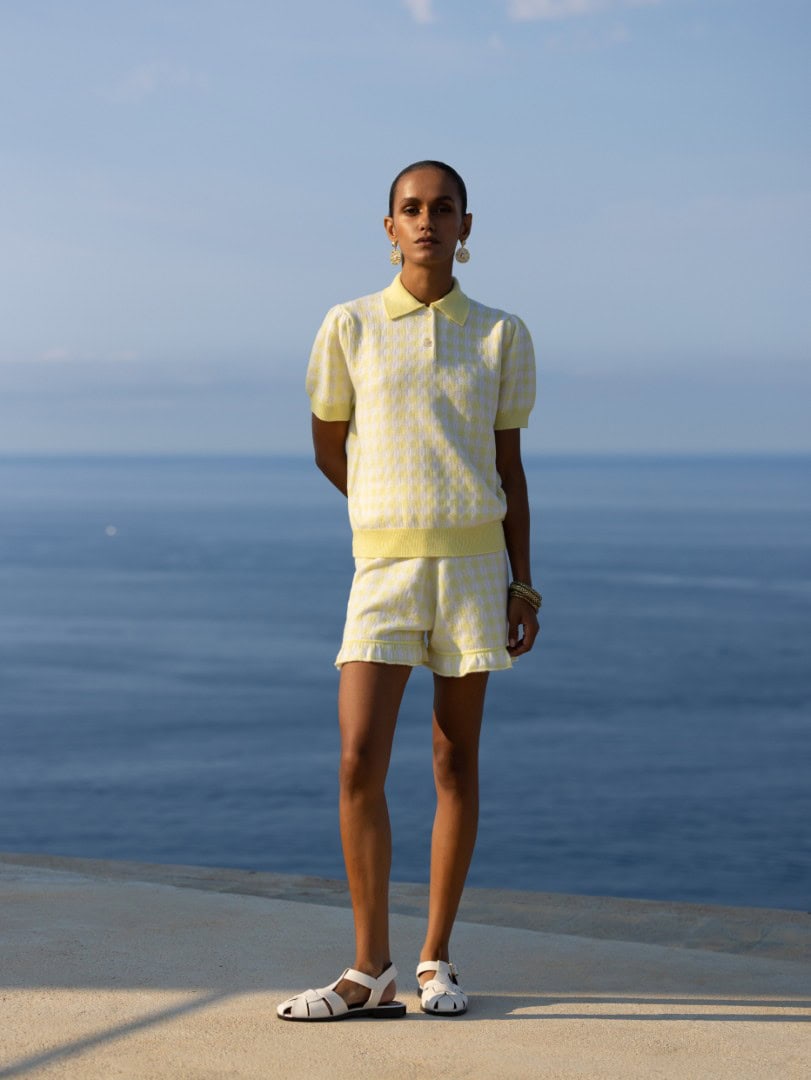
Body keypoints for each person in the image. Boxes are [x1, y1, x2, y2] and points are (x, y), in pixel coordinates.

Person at [277, 160, 540, 1022]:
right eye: (411, 209)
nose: (427, 221)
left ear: (466, 226)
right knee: (358, 758)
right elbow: (330, 447)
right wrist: (385, 513)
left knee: (453, 761)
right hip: (383, 572)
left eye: (443, 208)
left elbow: (509, 470)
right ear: (388, 227)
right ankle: (368, 970)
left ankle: (435, 960)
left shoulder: (501, 334)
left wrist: (523, 584)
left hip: (474, 572)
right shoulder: (347, 325)